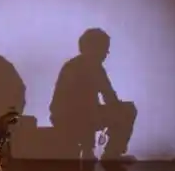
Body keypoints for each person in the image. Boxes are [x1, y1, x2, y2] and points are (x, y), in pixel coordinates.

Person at [49, 28, 137, 160]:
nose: (106, 54)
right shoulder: (83, 68)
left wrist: (116, 111)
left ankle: (102, 152)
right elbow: (83, 106)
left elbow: (109, 97)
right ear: (94, 48)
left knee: (125, 110)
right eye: (104, 49)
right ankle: (109, 154)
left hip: (67, 117)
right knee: (127, 111)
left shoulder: (81, 66)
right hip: (68, 118)